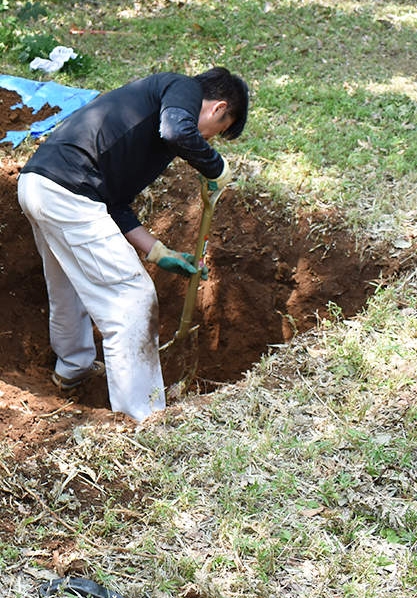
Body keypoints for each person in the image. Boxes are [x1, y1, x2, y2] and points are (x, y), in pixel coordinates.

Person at [17, 67, 249, 422]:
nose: (208, 141)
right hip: (68, 191)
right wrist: (215, 167)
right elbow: (178, 131)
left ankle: (72, 370)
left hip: (40, 185)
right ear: (218, 109)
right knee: (133, 298)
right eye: (216, 134)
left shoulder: (153, 131)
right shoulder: (181, 88)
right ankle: (143, 418)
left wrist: (157, 251)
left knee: (68, 287)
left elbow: (115, 203)